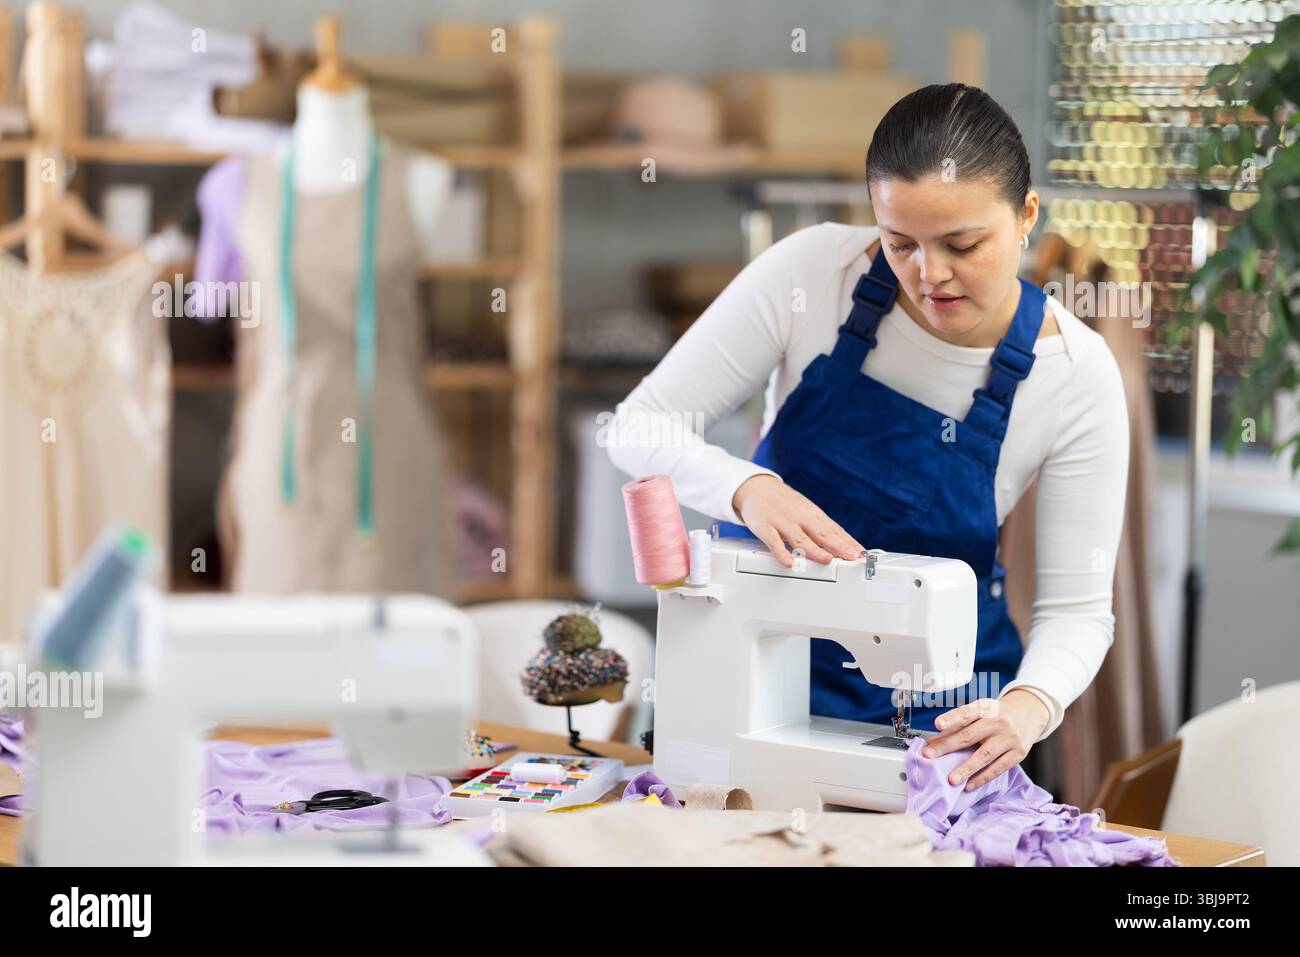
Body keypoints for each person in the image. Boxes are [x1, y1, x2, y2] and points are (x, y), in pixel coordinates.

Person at [608, 83, 1129, 793]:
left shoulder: (1074, 375)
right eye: (899, 242)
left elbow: (1075, 610)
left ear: (1027, 216)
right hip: (754, 679)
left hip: (941, 721)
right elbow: (637, 425)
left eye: (963, 244)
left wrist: (1028, 706)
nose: (928, 274)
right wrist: (746, 488)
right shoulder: (814, 273)